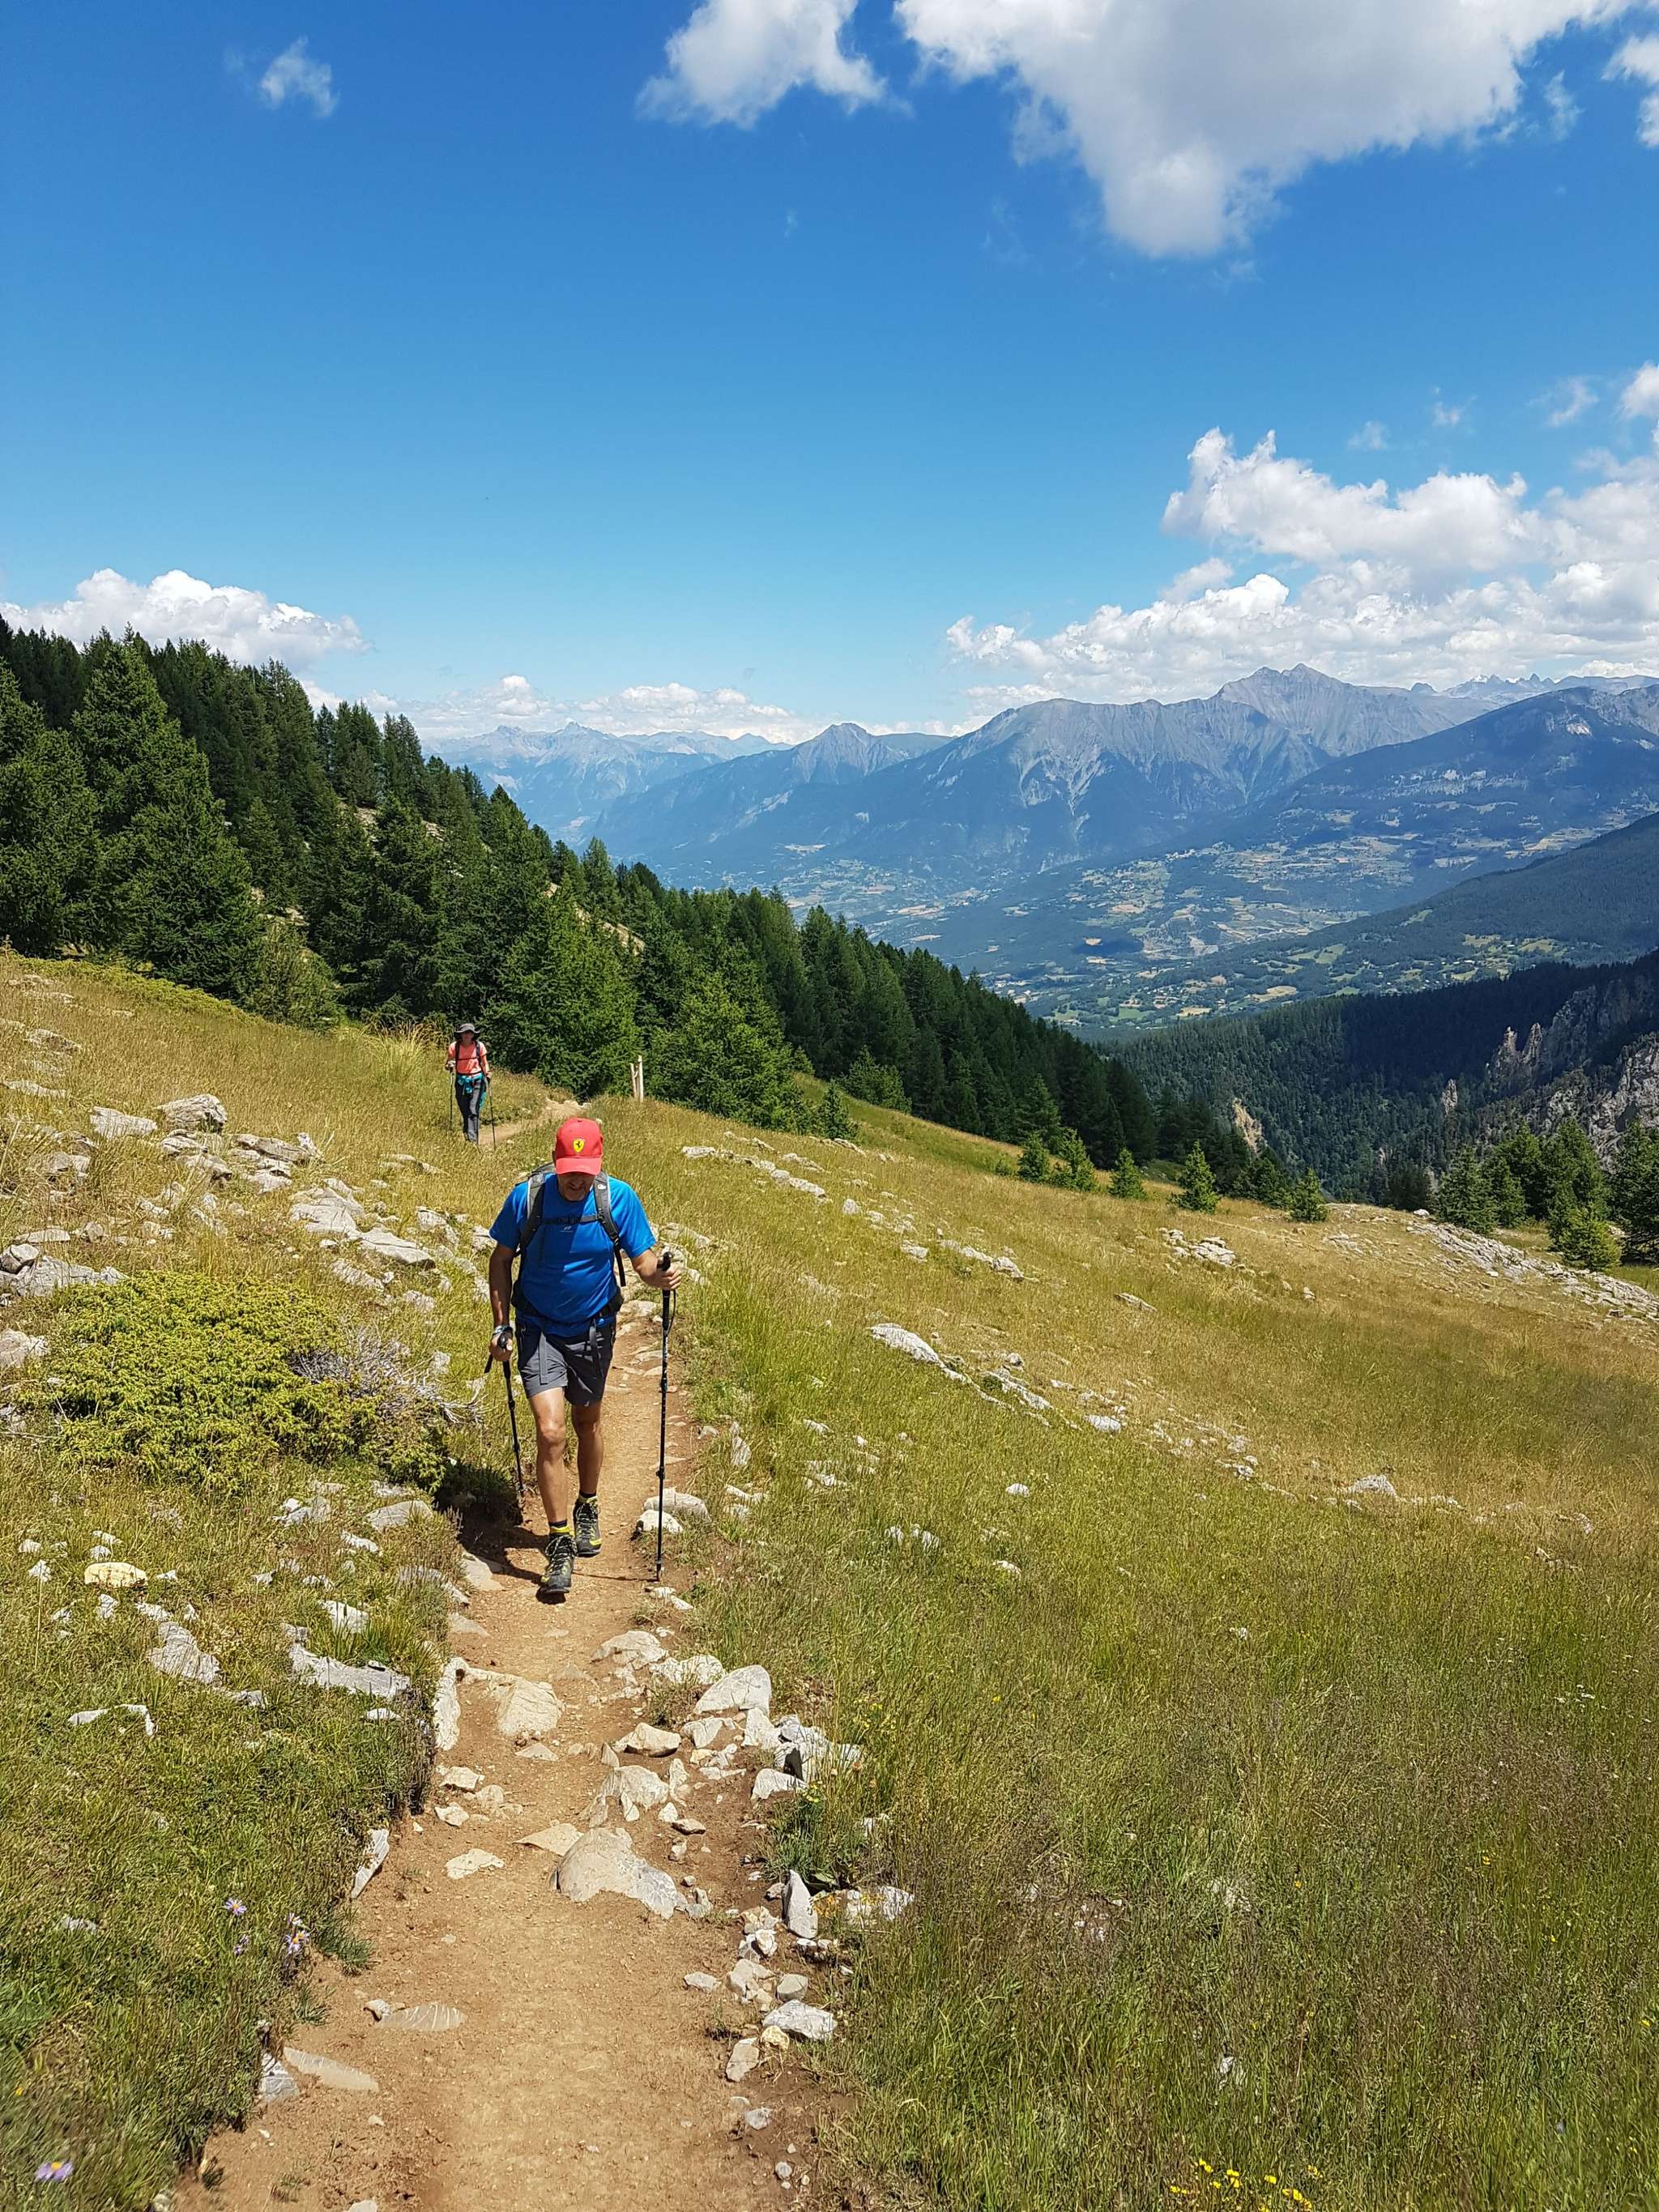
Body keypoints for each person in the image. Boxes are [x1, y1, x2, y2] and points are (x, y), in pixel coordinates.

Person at [486, 1116, 682, 1601]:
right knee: (551, 1431)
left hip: (594, 1329)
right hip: (537, 1327)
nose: (576, 1180)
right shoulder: (527, 1198)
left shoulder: (617, 1199)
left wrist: (658, 1276)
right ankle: (559, 1542)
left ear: (598, 1164)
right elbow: (501, 1259)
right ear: (556, 1162)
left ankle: (588, 1503)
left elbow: (642, 1261)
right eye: (569, 1171)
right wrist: (501, 1324)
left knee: (587, 1421)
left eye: (585, 1171)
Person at [447, 1021, 490, 1144]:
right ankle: (468, 1132)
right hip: (461, 1081)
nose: (467, 1035)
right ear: (460, 1035)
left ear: (473, 1035)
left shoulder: (479, 1046)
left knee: (473, 1109)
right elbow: (448, 1063)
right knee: (464, 1109)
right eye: (464, 1033)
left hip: (477, 1081)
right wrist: (449, 1065)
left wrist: (487, 1073)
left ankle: (472, 1140)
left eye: (469, 1033)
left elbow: (484, 1063)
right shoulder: (454, 1047)